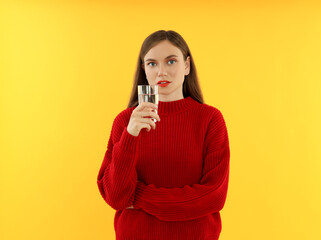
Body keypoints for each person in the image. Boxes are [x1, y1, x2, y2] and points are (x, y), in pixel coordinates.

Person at [97, 30, 230, 240]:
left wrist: (139, 197)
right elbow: (116, 197)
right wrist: (130, 135)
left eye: (171, 62)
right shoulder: (125, 122)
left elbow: (213, 197)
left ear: (186, 66)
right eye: (152, 63)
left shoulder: (209, 119)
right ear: (144, 69)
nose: (161, 72)